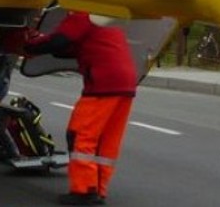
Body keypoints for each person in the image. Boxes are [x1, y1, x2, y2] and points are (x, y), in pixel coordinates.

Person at [24, 11, 138, 206]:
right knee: (106, 140)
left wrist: (29, 45)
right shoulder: (105, 15)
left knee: (80, 135)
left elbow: (60, 41)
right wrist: (47, 44)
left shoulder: (82, 13)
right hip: (125, 83)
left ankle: (84, 190)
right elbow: (71, 47)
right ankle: (98, 189)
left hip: (103, 84)